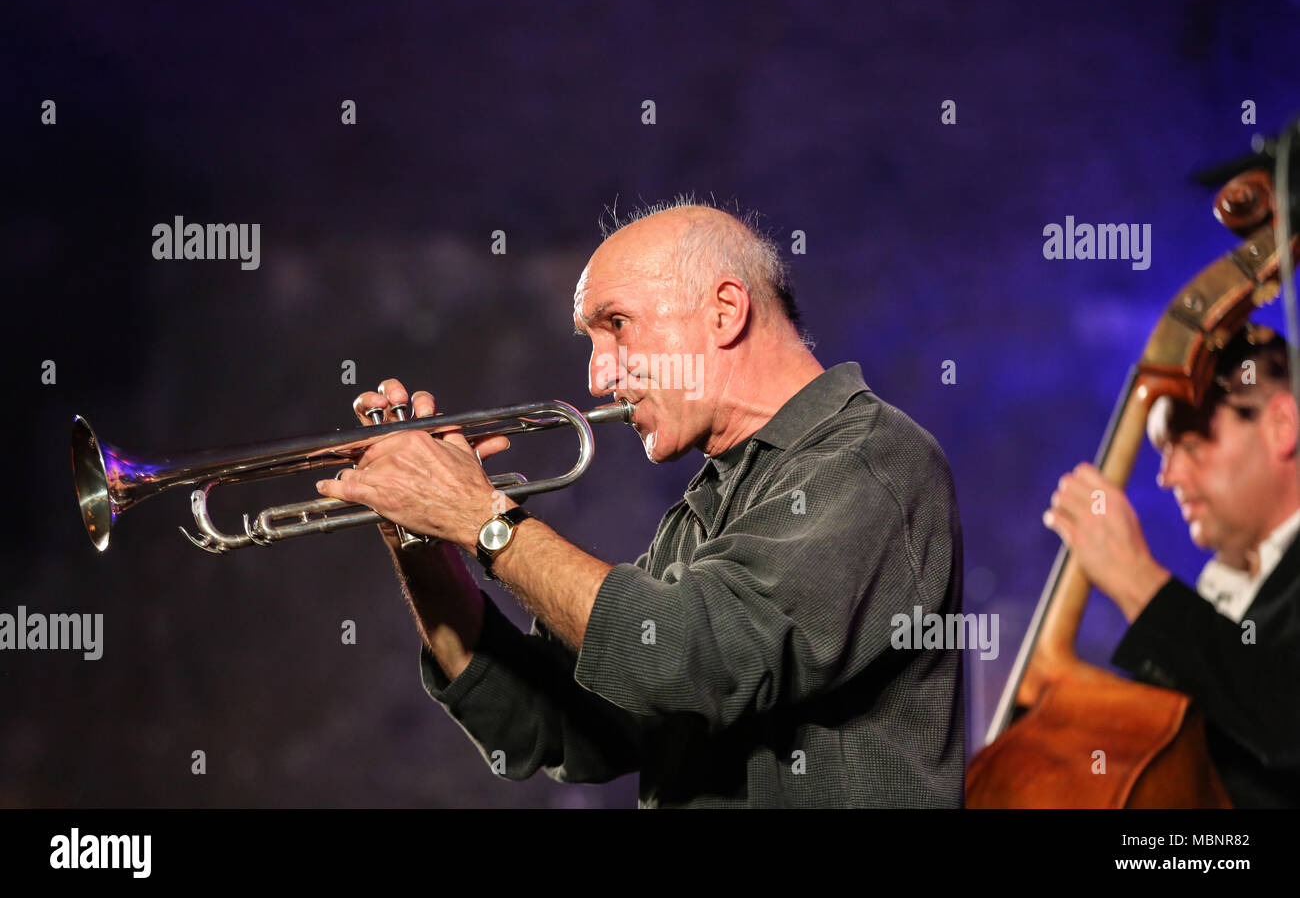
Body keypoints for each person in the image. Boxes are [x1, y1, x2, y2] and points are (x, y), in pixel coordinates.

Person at [317, 200, 965, 807]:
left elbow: (686, 659)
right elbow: (546, 729)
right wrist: (421, 540)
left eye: (617, 326)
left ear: (725, 311)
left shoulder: (868, 458)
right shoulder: (712, 503)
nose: (598, 375)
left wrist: (480, 516)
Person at [1043, 324, 1300, 807]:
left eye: (1191, 441)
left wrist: (1137, 578)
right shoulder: (1216, 602)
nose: (1167, 476)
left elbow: (1285, 711)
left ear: (1282, 426)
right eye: (1164, 452)